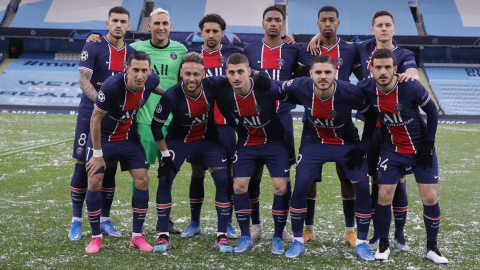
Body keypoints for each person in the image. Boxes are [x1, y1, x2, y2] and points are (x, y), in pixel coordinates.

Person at [86, 7, 187, 234]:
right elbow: (113, 43)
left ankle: (164, 219)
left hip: (171, 122)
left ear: (171, 27)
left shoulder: (181, 49)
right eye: (157, 23)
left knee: (167, 171)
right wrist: (94, 38)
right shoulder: (136, 48)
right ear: (148, 26)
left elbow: (185, 76)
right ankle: (132, 223)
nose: (161, 27)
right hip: (141, 122)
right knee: (140, 172)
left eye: (165, 24)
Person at [356, 48, 448, 264]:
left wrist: (429, 143)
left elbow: (433, 112)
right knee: (383, 195)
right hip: (392, 150)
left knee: (430, 197)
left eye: (388, 67)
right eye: (378, 67)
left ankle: (432, 248)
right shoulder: (366, 88)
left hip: (420, 150)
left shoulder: (410, 86)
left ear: (395, 69)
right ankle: (384, 244)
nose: (383, 71)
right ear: (371, 69)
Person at [280, 55, 375, 260]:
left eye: (327, 72)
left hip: (346, 142)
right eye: (318, 72)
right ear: (310, 74)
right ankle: (298, 240)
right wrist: (255, 77)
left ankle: (360, 241)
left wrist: (363, 146)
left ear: (335, 73)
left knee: (360, 185)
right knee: (302, 183)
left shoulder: (350, 91)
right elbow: (275, 87)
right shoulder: (300, 86)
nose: (323, 76)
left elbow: (372, 116)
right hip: (314, 142)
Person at [151, 52, 245, 253]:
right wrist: (165, 154)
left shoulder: (213, 85)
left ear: (203, 74)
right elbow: (156, 127)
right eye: (187, 74)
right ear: (181, 74)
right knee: (165, 179)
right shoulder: (171, 96)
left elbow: (236, 75)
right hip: (178, 141)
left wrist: (257, 76)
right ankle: (163, 236)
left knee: (222, 179)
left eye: (196, 74)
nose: (191, 79)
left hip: (207, 141)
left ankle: (221, 235)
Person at [84, 51, 165, 253]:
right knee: (94, 180)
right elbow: (95, 120)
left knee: (142, 179)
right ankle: (95, 238)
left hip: (129, 138)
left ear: (150, 71)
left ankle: (136, 236)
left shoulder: (150, 80)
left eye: (144, 70)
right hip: (104, 139)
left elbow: (162, 91)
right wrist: (97, 153)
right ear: (126, 69)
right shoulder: (111, 87)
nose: (140, 75)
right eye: (135, 70)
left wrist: (178, 98)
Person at [297, 5, 363, 246]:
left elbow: (364, 75)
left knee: (347, 178)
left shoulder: (351, 49)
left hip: (343, 125)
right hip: (313, 125)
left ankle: (350, 230)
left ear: (338, 23)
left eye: (331, 20)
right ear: (317, 24)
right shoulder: (306, 49)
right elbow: (295, 76)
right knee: (309, 179)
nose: (327, 24)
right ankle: (308, 228)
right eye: (323, 20)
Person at [69, 6, 133, 241]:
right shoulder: (93, 45)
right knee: (81, 165)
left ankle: (105, 219)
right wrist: (103, 103)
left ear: (129, 25)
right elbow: (84, 81)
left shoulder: (132, 52)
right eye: (114, 20)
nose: (118, 24)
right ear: (107, 23)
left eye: (123, 21)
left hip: (117, 121)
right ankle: (76, 220)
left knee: (110, 165)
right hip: (90, 115)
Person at [215, 53, 291, 254]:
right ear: (226, 75)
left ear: (249, 72)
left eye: (241, 71)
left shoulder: (266, 88)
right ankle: (246, 236)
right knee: (239, 186)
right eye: (232, 73)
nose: (236, 76)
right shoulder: (224, 95)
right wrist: (237, 127)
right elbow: (225, 112)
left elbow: (290, 93)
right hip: (248, 143)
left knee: (280, 186)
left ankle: (278, 236)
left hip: (274, 143)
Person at [181, 13, 242, 239]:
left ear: (222, 33)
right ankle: (194, 222)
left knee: (227, 174)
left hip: (224, 125)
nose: (211, 34)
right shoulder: (192, 58)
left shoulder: (233, 57)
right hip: (198, 125)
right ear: (201, 33)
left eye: (216, 31)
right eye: (207, 31)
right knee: (197, 171)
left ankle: (226, 224)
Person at [242, 5, 300, 242]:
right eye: (269, 19)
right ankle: (256, 225)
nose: (273, 23)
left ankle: (282, 227)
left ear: (284, 24)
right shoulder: (250, 48)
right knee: (253, 175)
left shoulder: (293, 50)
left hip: (283, 121)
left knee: (283, 179)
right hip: (254, 122)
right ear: (263, 23)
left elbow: (303, 75)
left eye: (278, 20)